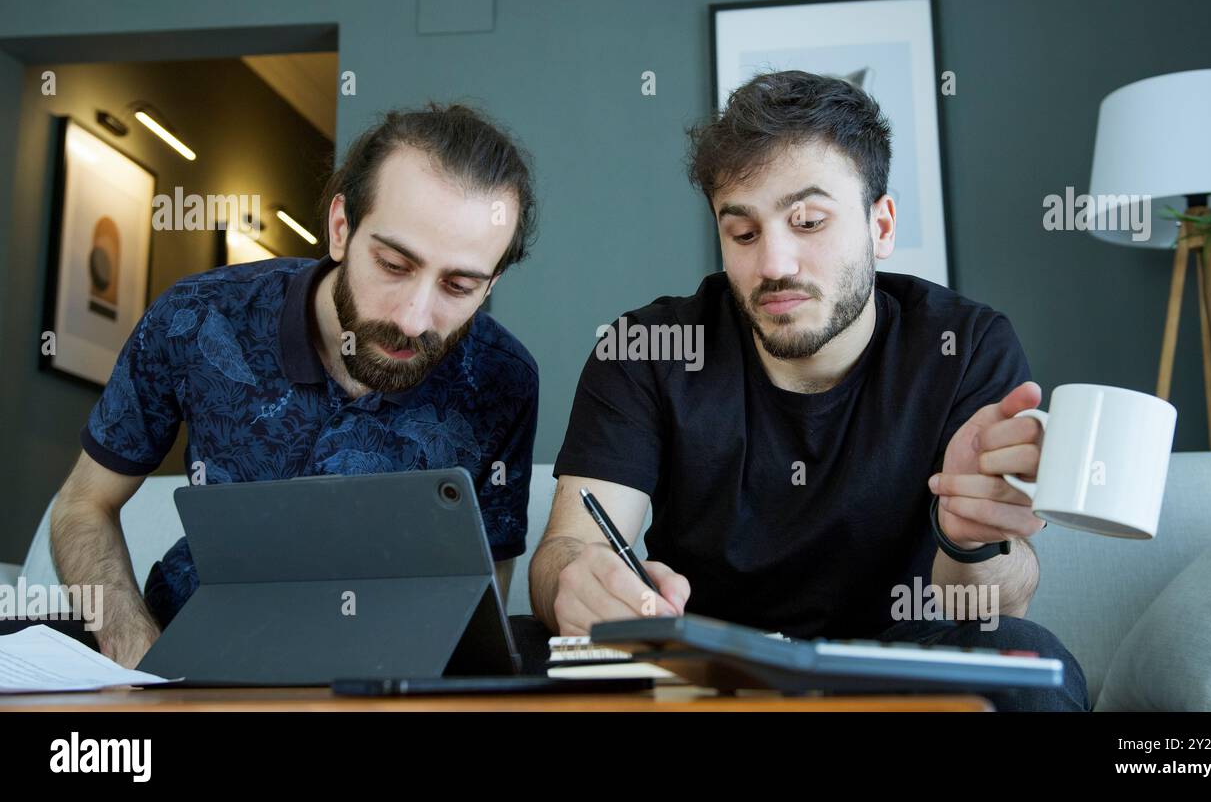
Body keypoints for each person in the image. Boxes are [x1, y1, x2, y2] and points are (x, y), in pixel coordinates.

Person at [529, 71, 1088, 711]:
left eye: (810, 221)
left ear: (881, 226)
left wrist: (969, 536)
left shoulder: (965, 346)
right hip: (701, 679)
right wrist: (577, 582)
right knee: (521, 650)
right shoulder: (646, 349)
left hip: (902, 681)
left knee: (1032, 663)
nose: (774, 264)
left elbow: (998, 607)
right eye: (742, 233)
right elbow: (568, 549)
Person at [50, 102, 540, 669]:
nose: (413, 319)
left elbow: (483, 586)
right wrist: (137, 652)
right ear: (340, 228)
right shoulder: (199, 316)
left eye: (458, 286)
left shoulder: (504, 380)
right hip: (186, 655)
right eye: (393, 264)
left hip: (377, 683)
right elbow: (83, 506)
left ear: (490, 284)